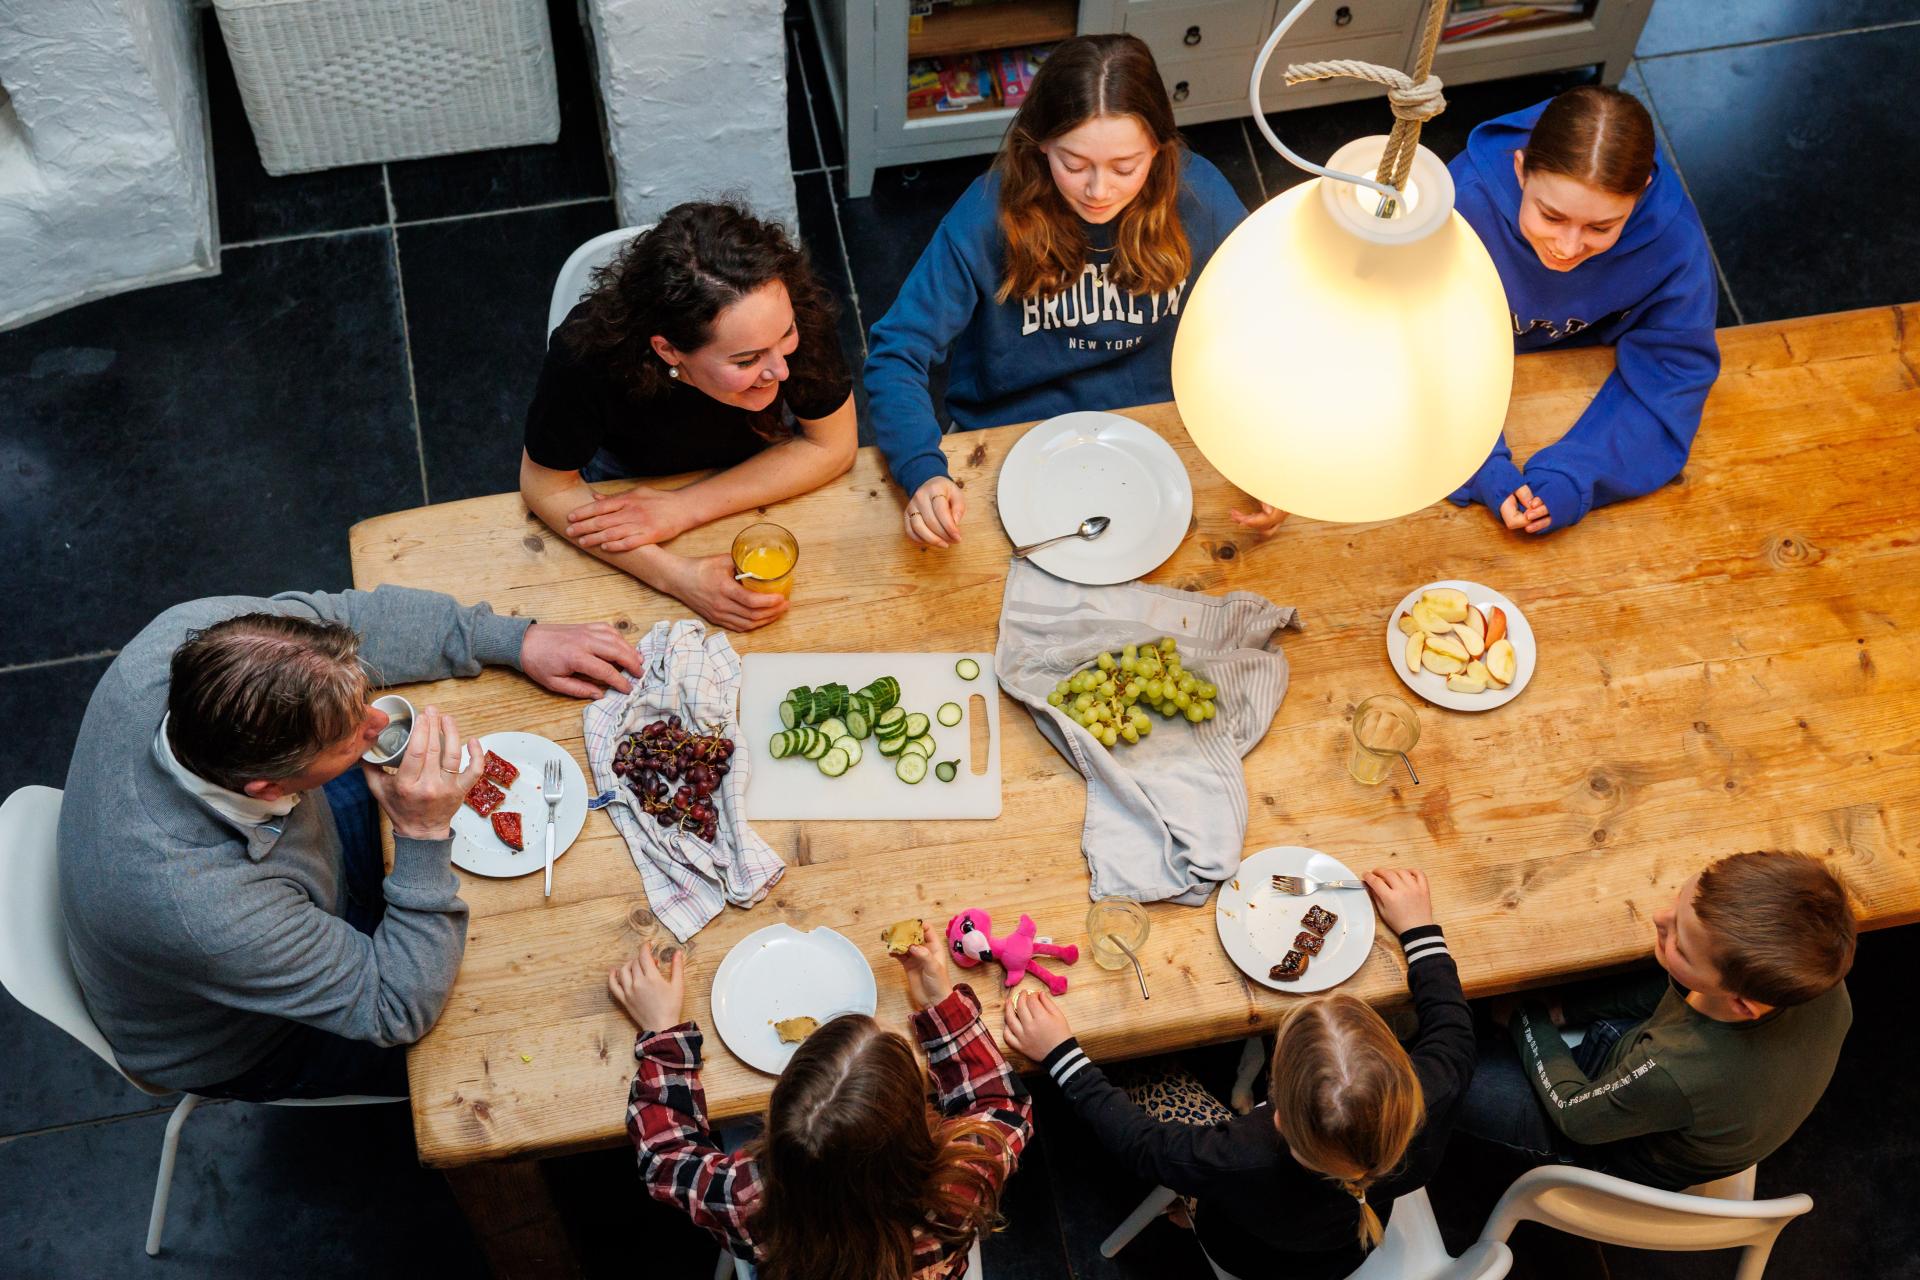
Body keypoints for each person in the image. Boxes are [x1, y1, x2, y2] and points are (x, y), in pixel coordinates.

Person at [58, 588, 643, 1100]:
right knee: (517, 1038)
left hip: (299, 868)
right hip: (253, 1037)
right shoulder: (204, 911)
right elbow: (396, 1007)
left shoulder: (189, 642)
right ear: (270, 785)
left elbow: (340, 615)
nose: (376, 724)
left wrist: (513, 639)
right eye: (349, 736)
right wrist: (421, 832)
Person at [863, 34, 1250, 549]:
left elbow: (1259, 329)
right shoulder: (987, 215)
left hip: (1154, 438)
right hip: (1008, 441)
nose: (1098, 190)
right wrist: (922, 470)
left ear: (1159, 147)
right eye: (1073, 164)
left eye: (1125, 167)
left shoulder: (1202, 199)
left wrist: (1263, 458)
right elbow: (895, 354)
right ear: (1040, 141)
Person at [1002, 869, 1474, 1279]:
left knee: (1147, 1070)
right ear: (1401, 1068)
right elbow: (1454, 1029)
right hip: (1349, 1248)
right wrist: (1419, 927)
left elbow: (1141, 1144)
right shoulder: (1436, 1090)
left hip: (1247, 1253)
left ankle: (1185, 1213)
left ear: (1278, 1116)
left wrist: (1062, 1056)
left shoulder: (1237, 1157)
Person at [611, 920, 1032, 1280]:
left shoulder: (746, 1201)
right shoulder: (964, 1184)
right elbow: (1002, 1106)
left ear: (776, 1120)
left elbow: (666, 1155)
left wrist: (664, 1036)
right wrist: (943, 1009)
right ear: (922, 1122)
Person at [521, 200, 858, 632]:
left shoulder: (785, 308)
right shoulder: (586, 354)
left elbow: (834, 444)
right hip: (624, 481)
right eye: (747, 359)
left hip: (763, 464)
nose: (781, 370)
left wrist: (684, 508)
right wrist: (679, 577)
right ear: (668, 350)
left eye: (785, 335)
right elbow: (545, 485)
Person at [1460, 851, 1855, 1189]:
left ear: (1742, 1003)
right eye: (1679, 898)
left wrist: (1526, 1014)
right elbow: (1677, 991)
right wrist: (1566, 1010)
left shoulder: (1677, 1068)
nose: (1657, 916)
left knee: (1439, 1074)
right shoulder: (1817, 983)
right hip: (1665, 1090)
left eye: (1679, 945)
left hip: (1604, 1145)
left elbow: (1574, 1113)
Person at [1448, 85, 1720, 535]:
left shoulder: (1674, 241)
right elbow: (1406, 338)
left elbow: (1676, 371)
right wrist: (1476, 462)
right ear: (1520, 170)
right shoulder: (1459, 201)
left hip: (1573, 380)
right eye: (1551, 216)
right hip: (1458, 372)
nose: (1567, 248)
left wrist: (1576, 477)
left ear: (1641, 195)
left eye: (1601, 226)